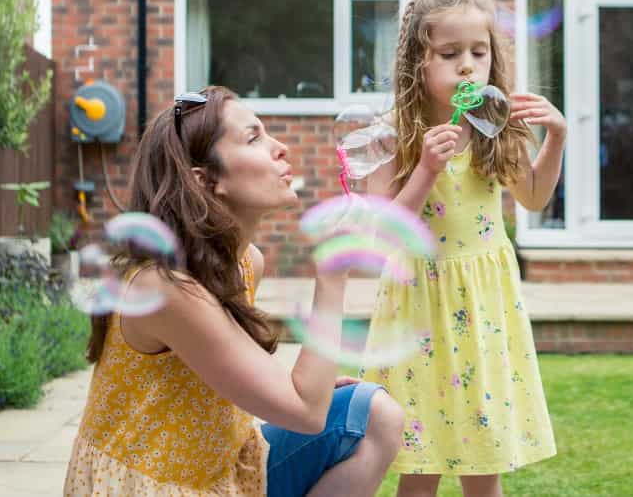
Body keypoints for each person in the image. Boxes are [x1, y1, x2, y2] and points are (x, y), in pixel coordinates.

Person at [65, 85, 403, 496]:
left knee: (374, 416)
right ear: (205, 180)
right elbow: (306, 414)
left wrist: (300, 387)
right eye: (253, 137)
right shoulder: (168, 288)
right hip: (156, 488)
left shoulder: (246, 262)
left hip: (220, 472)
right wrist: (332, 275)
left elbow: (221, 365)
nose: (280, 148)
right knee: (327, 412)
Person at [361, 0, 565, 496]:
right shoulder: (392, 134)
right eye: (450, 54)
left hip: (483, 307)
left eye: (479, 51)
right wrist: (427, 168)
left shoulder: (494, 127)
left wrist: (556, 137)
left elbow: (535, 196)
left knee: (483, 462)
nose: (468, 66)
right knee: (421, 461)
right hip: (418, 305)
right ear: (417, 63)